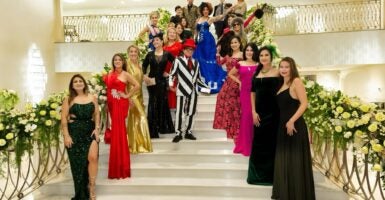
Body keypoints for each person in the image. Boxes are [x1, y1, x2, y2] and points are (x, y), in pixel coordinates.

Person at [272, 57, 315, 200]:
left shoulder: (296, 81)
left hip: (294, 126)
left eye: (287, 67)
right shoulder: (281, 84)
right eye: (281, 67)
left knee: (295, 161)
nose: (283, 69)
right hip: (283, 127)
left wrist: (291, 121)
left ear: (292, 68)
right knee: (285, 161)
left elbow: (304, 104)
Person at [61, 74, 100, 200]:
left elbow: (97, 115)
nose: (78, 83)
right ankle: (83, 191)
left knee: (93, 157)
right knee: (78, 166)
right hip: (74, 134)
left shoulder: (93, 97)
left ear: (84, 83)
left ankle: (92, 187)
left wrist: (97, 129)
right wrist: (66, 136)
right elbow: (63, 119)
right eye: (75, 82)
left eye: (80, 81)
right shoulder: (68, 99)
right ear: (72, 85)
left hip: (90, 132)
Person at [247, 46, 281, 185]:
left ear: (271, 57)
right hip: (259, 114)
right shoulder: (257, 73)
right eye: (261, 55)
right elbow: (252, 93)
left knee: (272, 144)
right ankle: (257, 176)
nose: (264, 57)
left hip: (274, 113)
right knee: (259, 144)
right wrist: (253, 112)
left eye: (266, 55)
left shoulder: (278, 72)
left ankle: (272, 176)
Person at [104, 53, 140, 179]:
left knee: (119, 133)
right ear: (113, 61)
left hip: (120, 104)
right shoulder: (109, 74)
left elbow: (137, 85)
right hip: (110, 105)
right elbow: (107, 89)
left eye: (119, 60)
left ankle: (121, 167)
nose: (117, 61)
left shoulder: (125, 74)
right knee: (114, 133)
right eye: (115, 60)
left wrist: (126, 96)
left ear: (123, 62)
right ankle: (115, 165)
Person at [169, 38, 210, 143]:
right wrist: (170, 85)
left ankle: (188, 131)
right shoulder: (178, 60)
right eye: (187, 49)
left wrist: (207, 89)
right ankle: (178, 133)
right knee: (179, 112)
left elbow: (198, 79)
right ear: (183, 50)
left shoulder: (196, 62)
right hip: (181, 90)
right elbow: (171, 74)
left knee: (191, 112)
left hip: (193, 91)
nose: (189, 51)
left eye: (191, 50)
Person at [142, 32, 175, 138]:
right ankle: (152, 130)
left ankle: (162, 127)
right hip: (151, 82)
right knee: (153, 102)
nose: (155, 42)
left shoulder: (167, 54)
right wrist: (144, 76)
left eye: (157, 40)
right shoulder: (149, 54)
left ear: (162, 41)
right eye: (154, 40)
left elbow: (176, 63)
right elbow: (143, 67)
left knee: (162, 102)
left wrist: (170, 73)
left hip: (161, 81)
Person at [193, 2, 230, 93]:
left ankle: (211, 80)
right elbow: (195, 32)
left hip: (208, 41)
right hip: (200, 43)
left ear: (209, 11)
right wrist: (195, 41)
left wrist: (228, 10)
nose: (205, 11)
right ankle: (201, 79)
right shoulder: (198, 19)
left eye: (207, 9)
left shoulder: (211, 19)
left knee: (209, 59)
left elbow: (221, 16)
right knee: (199, 59)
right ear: (201, 10)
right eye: (204, 9)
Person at [229, 43, 259, 156]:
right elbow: (230, 74)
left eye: (251, 50)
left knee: (254, 117)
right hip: (245, 93)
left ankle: (255, 145)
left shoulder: (258, 64)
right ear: (244, 52)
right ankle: (245, 146)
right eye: (247, 50)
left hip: (257, 93)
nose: (249, 52)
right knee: (247, 117)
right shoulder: (240, 63)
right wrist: (239, 82)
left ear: (255, 52)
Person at [213, 36, 243, 140]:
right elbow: (218, 63)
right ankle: (229, 127)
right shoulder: (228, 55)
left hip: (239, 82)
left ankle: (238, 130)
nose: (234, 44)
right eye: (232, 43)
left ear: (240, 43)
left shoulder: (243, 55)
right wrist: (217, 52)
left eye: (235, 42)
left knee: (236, 106)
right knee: (222, 99)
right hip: (229, 81)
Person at [126, 45, 153, 154]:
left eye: (135, 51)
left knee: (135, 120)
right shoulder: (126, 65)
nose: (133, 53)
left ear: (138, 53)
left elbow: (140, 78)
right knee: (142, 117)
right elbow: (124, 82)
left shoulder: (139, 65)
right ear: (128, 53)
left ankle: (134, 146)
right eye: (131, 51)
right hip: (132, 96)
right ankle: (142, 145)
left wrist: (146, 78)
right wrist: (127, 97)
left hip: (139, 95)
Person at [164, 27, 183, 109]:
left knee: (175, 89)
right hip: (166, 70)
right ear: (167, 35)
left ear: (176, 35)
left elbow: (183, 59)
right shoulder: (163, 46)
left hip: (176, 69)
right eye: (170, 33)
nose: (172, 34)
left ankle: (177, 109)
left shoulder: (179, 45)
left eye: (174, 33)